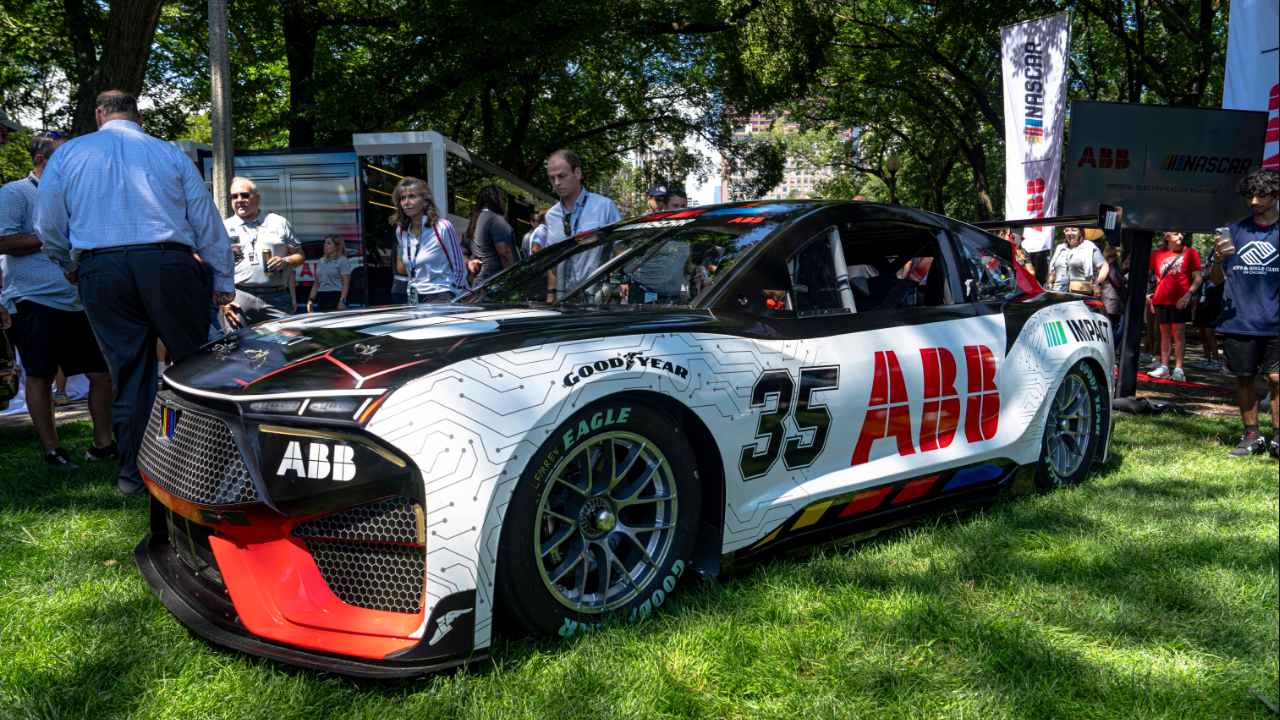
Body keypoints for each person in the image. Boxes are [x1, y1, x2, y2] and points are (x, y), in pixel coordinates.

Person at [35, 90, 235, 495]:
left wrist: (68, 264)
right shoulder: (169, 153)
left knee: (127, 374)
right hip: (169, 264)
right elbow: (206, 220)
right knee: (194, 367)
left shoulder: (68, 154)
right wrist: (223, 279)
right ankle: (203, 470)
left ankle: (133, 477)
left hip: (102, 268)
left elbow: (48, 224)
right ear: (139, 117)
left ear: (98, 116)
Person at [0, 130, 115, 469]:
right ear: (41, 160)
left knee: (102, 374)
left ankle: (102, 445)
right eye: (66, 156)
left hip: (80, 299)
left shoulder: (76, 193)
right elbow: (3, 242)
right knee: (41, 376)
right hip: (34, 298)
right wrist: (52, 234)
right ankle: (53, 451)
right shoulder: (15, 192)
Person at [1207, 168, 1279, 458]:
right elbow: (1216, 280)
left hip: (1276, 321)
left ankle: (1278, 438)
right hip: (1239, 321)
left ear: (1276, 195)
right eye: (1250, 196)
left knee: (1276, 379)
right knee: (1245, 378)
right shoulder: (1234, 231)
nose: (1254, 202)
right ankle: (1252, 437)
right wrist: (1217, 259)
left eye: (1261, 195)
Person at [221, 177, 303, 328]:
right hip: (239, 297)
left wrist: (285, 261)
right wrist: (223, 302)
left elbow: (300, 256)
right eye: (234, 196)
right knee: (239, 342)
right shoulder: (224, 227)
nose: (239, 200)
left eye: (244, 195)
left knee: (288, 340)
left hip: (276, 297)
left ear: (257, 197)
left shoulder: (279, 222)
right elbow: (216, 267)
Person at [543, 149, 621, 297]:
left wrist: (611, 288)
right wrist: (551, 297)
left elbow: (621, 249)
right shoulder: (551, 216)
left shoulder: (604, 206)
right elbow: (552, 261)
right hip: (565, 298)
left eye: (562, 176)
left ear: (577, 173)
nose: (557, 183)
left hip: (600, 297)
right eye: (552, 178)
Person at [391, 176, 467, 303]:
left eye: (412, 196)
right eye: (403, 198)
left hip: (441, 296)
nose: (406, 202)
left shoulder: (442, 227)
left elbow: (459, 266)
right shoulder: (401, 231)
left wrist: (456, 293)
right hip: (414, 296)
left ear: (425, 201)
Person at [1146, 231, 1202, 382]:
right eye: (1176, 233)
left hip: (1180, 299)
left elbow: (1198, 278)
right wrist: (1147, 294)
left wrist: (1188, 294)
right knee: (1164, 334)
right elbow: (1147, 274)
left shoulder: (1190, 253)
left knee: (1178, 333)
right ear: (1167, 237)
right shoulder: (1157, 254)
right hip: (1161, 299)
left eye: (1182, 233)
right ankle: (1164, 367)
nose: (1180, 236)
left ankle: (1179, 369)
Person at [462, 185, 519, 285]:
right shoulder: (496, 220)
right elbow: (506, 254)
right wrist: (515, 283)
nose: (504, 204)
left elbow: (461, 252)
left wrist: (469, 263)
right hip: (497, 285)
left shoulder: (474, 223)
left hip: (479, 285)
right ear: (494, 198)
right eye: (503, 199)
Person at [1193, 231, 1226, 371]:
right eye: (1207, 266)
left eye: (1210, 266)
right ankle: (1206, 359)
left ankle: (1216, 361)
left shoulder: (1220, 282)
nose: (1207, 269)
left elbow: (1224, 298)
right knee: (1203, 336)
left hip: (1213, 310)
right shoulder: (1203, 281)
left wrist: (1220, 314)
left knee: (1210, 335)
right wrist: (1194, 311)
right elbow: (1198, 297)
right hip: (1201, 309)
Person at [1046, 227, 1109, 294]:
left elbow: (1105, 266)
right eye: (1067, 230)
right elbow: (1057, 269)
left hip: (1080, 292)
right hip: (1058, 292)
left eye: (1073, 230)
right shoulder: (1060, 248)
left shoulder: (1088, 247)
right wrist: (1050, 282)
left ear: (1081, 232)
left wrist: (1098, 284)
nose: (1069, 233)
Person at [307, 234, 352, 312]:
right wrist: (310, 300)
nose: (325, 245)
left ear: (337, 246)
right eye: (325, 243)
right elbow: (316, 283)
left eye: (328, 243)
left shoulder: (343, 260)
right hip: (322, 297)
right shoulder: (321, 261)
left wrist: (342, 301)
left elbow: (346, 283)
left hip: (336, 296)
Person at [1099, 244, 1127, 352]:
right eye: (1119, 251)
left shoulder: (1105, 265)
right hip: (1113, 302)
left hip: (1109, 300)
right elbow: (1119, 282)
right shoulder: (1111, 265)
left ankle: (1109, 350)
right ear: (1114, 253)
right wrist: (1126, 276)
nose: (1121, 253)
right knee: (1113, 328)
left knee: (1111, 328)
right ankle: (1110, 350)